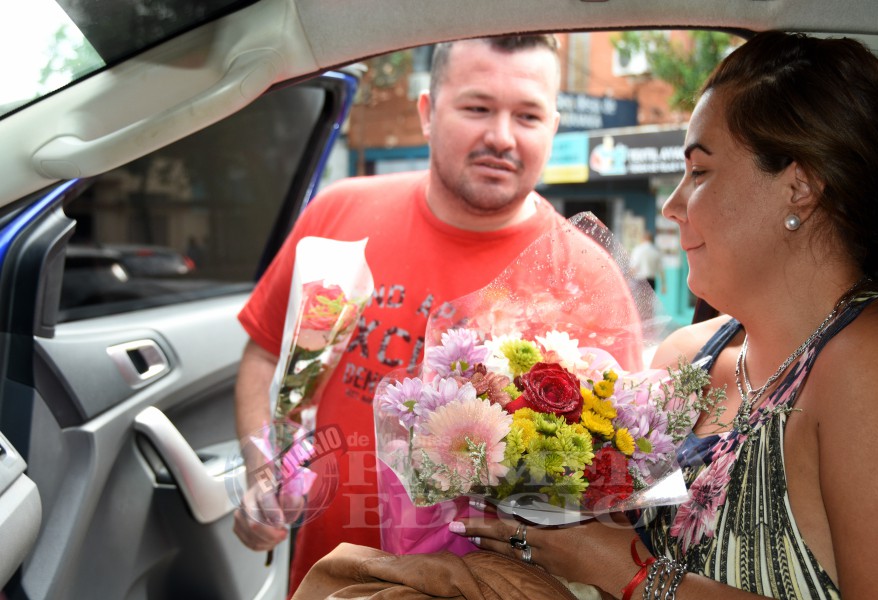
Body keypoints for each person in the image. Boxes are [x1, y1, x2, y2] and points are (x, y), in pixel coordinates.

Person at [431, 31, 878, 598]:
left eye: (699, 172)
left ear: (799, 188)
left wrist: (632, 573)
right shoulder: (686, 360)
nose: (671, 205)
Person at [232, 34, 644, 595]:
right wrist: (265, 471)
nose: (501, 136)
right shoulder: (338, 213)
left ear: (553, 127)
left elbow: (613, 477)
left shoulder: (587, 278)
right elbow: (263, 355)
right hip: (321, 583)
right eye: (477, 108)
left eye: (527, 116)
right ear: (427, 112)